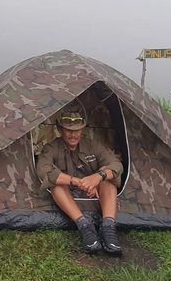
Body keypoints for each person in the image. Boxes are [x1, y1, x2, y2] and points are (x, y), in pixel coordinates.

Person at [36, 107, 124, 255]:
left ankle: (108, 226)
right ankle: (85, 226)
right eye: (68, 130)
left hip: (94, 190)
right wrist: (78, 182)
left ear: (82, 130)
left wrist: (97, 177)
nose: (73, 134)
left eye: (77, 130)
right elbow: (43, 169)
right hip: (66, 191)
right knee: (56, 183)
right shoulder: (51, 148)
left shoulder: (92, 145)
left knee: (107, 175)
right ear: (59, 129)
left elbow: (117, 165)